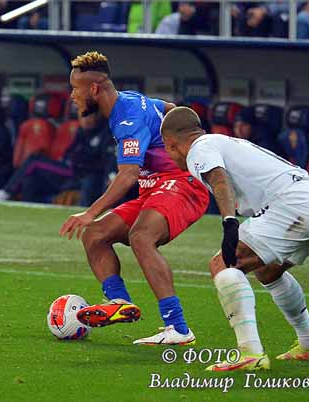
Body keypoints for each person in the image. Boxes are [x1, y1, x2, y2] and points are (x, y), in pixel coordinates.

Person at [160, 106, 309, 371]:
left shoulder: (198, 149)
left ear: (171, 144)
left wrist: (229, 223)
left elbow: (219, 180)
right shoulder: (225, 142)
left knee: (222, 265)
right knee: (268, 271)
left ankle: (250, 354)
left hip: (293, 206)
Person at [60, 51, 210, 345]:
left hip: (182, 184)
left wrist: (89, 212)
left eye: (75, 88)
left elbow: (128, 175)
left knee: (141, 236)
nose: (71, 96)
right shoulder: (129, 100)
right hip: (154, 187)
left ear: (93, 89)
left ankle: (178, 327)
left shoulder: (127, 118)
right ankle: (119, 302)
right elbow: (170, 109)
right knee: (95, 235)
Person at [0, 112, 114, 206]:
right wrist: (65, 158)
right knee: (30, 179)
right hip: (69, 169)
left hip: (81, 172)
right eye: (82, 116)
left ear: (97, 117)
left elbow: (107, 158)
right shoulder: (81, 131)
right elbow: (70, 151)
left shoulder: (105, 133)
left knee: (35, 161)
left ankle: (6, 191)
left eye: (89, 116)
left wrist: (110, 174)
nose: (86, 120)